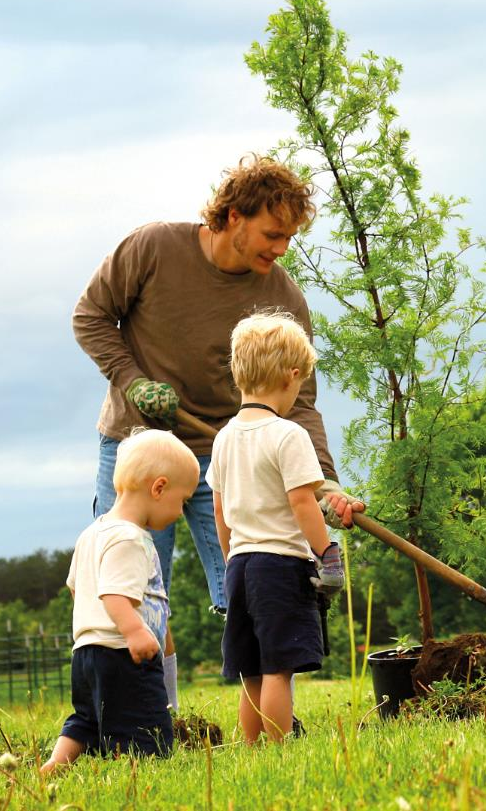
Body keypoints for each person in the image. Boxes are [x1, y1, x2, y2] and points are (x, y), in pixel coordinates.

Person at [72, 155, 364, 709]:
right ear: (233, 215)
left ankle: (271, 714)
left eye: (289, 239)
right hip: (138, 446)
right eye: (273, 234)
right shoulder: (153, 248)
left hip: (227, 454)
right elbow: (90, 315)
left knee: (252, 582)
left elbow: (300, 403)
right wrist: (133, 382)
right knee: (128, 583)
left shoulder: (282, 298)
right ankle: (156, 714)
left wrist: (321, 482)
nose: (281, 250)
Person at [208, 312, 348, 742]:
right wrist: (327, 553)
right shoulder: (289, 435)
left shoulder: (224, 437)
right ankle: (278, 746)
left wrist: (231, 559)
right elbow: (303, 501)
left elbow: (219, 509)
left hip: (241, 567)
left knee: (251, 669)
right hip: (280, 565)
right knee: (278, 668)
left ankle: (252, 749)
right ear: (291, 376)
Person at [42, 430, 200, 774]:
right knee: (146, 727)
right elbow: (114, 594)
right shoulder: (130, 538)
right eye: (182, 500)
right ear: (158, 488)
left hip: (86, 653)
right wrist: (134, 631)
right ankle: (140, 775)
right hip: (123, 653)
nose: (180, 512)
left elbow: (76, 588)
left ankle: (56, 764)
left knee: (86, 719)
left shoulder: (92, 533)